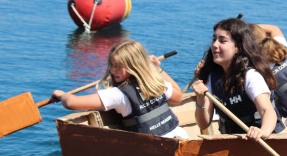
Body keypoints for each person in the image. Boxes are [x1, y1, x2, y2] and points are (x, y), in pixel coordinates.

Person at [51, 39, 189, 139]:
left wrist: (62, 94)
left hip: (154, 149)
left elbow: (71, 103)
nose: (112, 70)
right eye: (111, 64)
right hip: (180, 137)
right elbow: (178, 97)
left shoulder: (118, 95)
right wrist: (157, 69)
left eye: (118, 66)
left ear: (133, 66)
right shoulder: (156, 83)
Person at [191, 18, 285, 141]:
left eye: (222, 41)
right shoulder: (211, 77)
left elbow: (267, 110)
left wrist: (263, 131)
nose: (214, 45)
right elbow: (203, 124)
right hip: (233, 142)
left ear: (238, 47)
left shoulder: (251, 75)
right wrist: (200, 99)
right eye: (214, 39)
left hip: (262, 142)